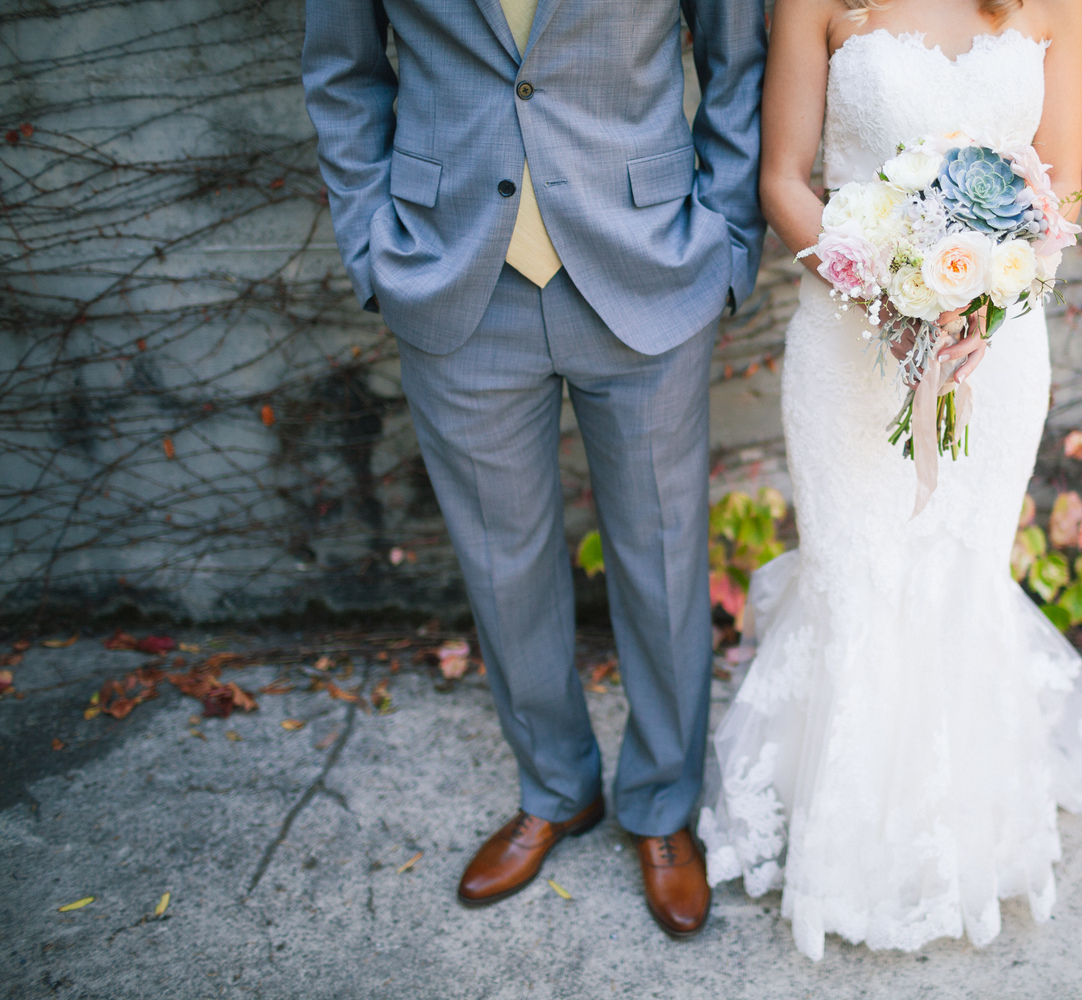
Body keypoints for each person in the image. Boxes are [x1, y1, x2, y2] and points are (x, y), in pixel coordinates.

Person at [698, 0, 1082, 960]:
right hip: (848, 340)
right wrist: (890, 294)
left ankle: (959, 836)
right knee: (860, 573)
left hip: (995, 353)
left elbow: (1064, 190)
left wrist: (985, 300)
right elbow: (783, 179)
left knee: (961, 571)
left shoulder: (1053, 3)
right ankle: (847, 847)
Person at [302, 0, 766, 938]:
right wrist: (371, 248)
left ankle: (662, 806)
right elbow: (343, 71)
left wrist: (722, 243)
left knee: (663, 557)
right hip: (453, 272)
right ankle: (556, 786)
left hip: (647, 264)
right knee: (501, 565)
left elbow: (738, 61)